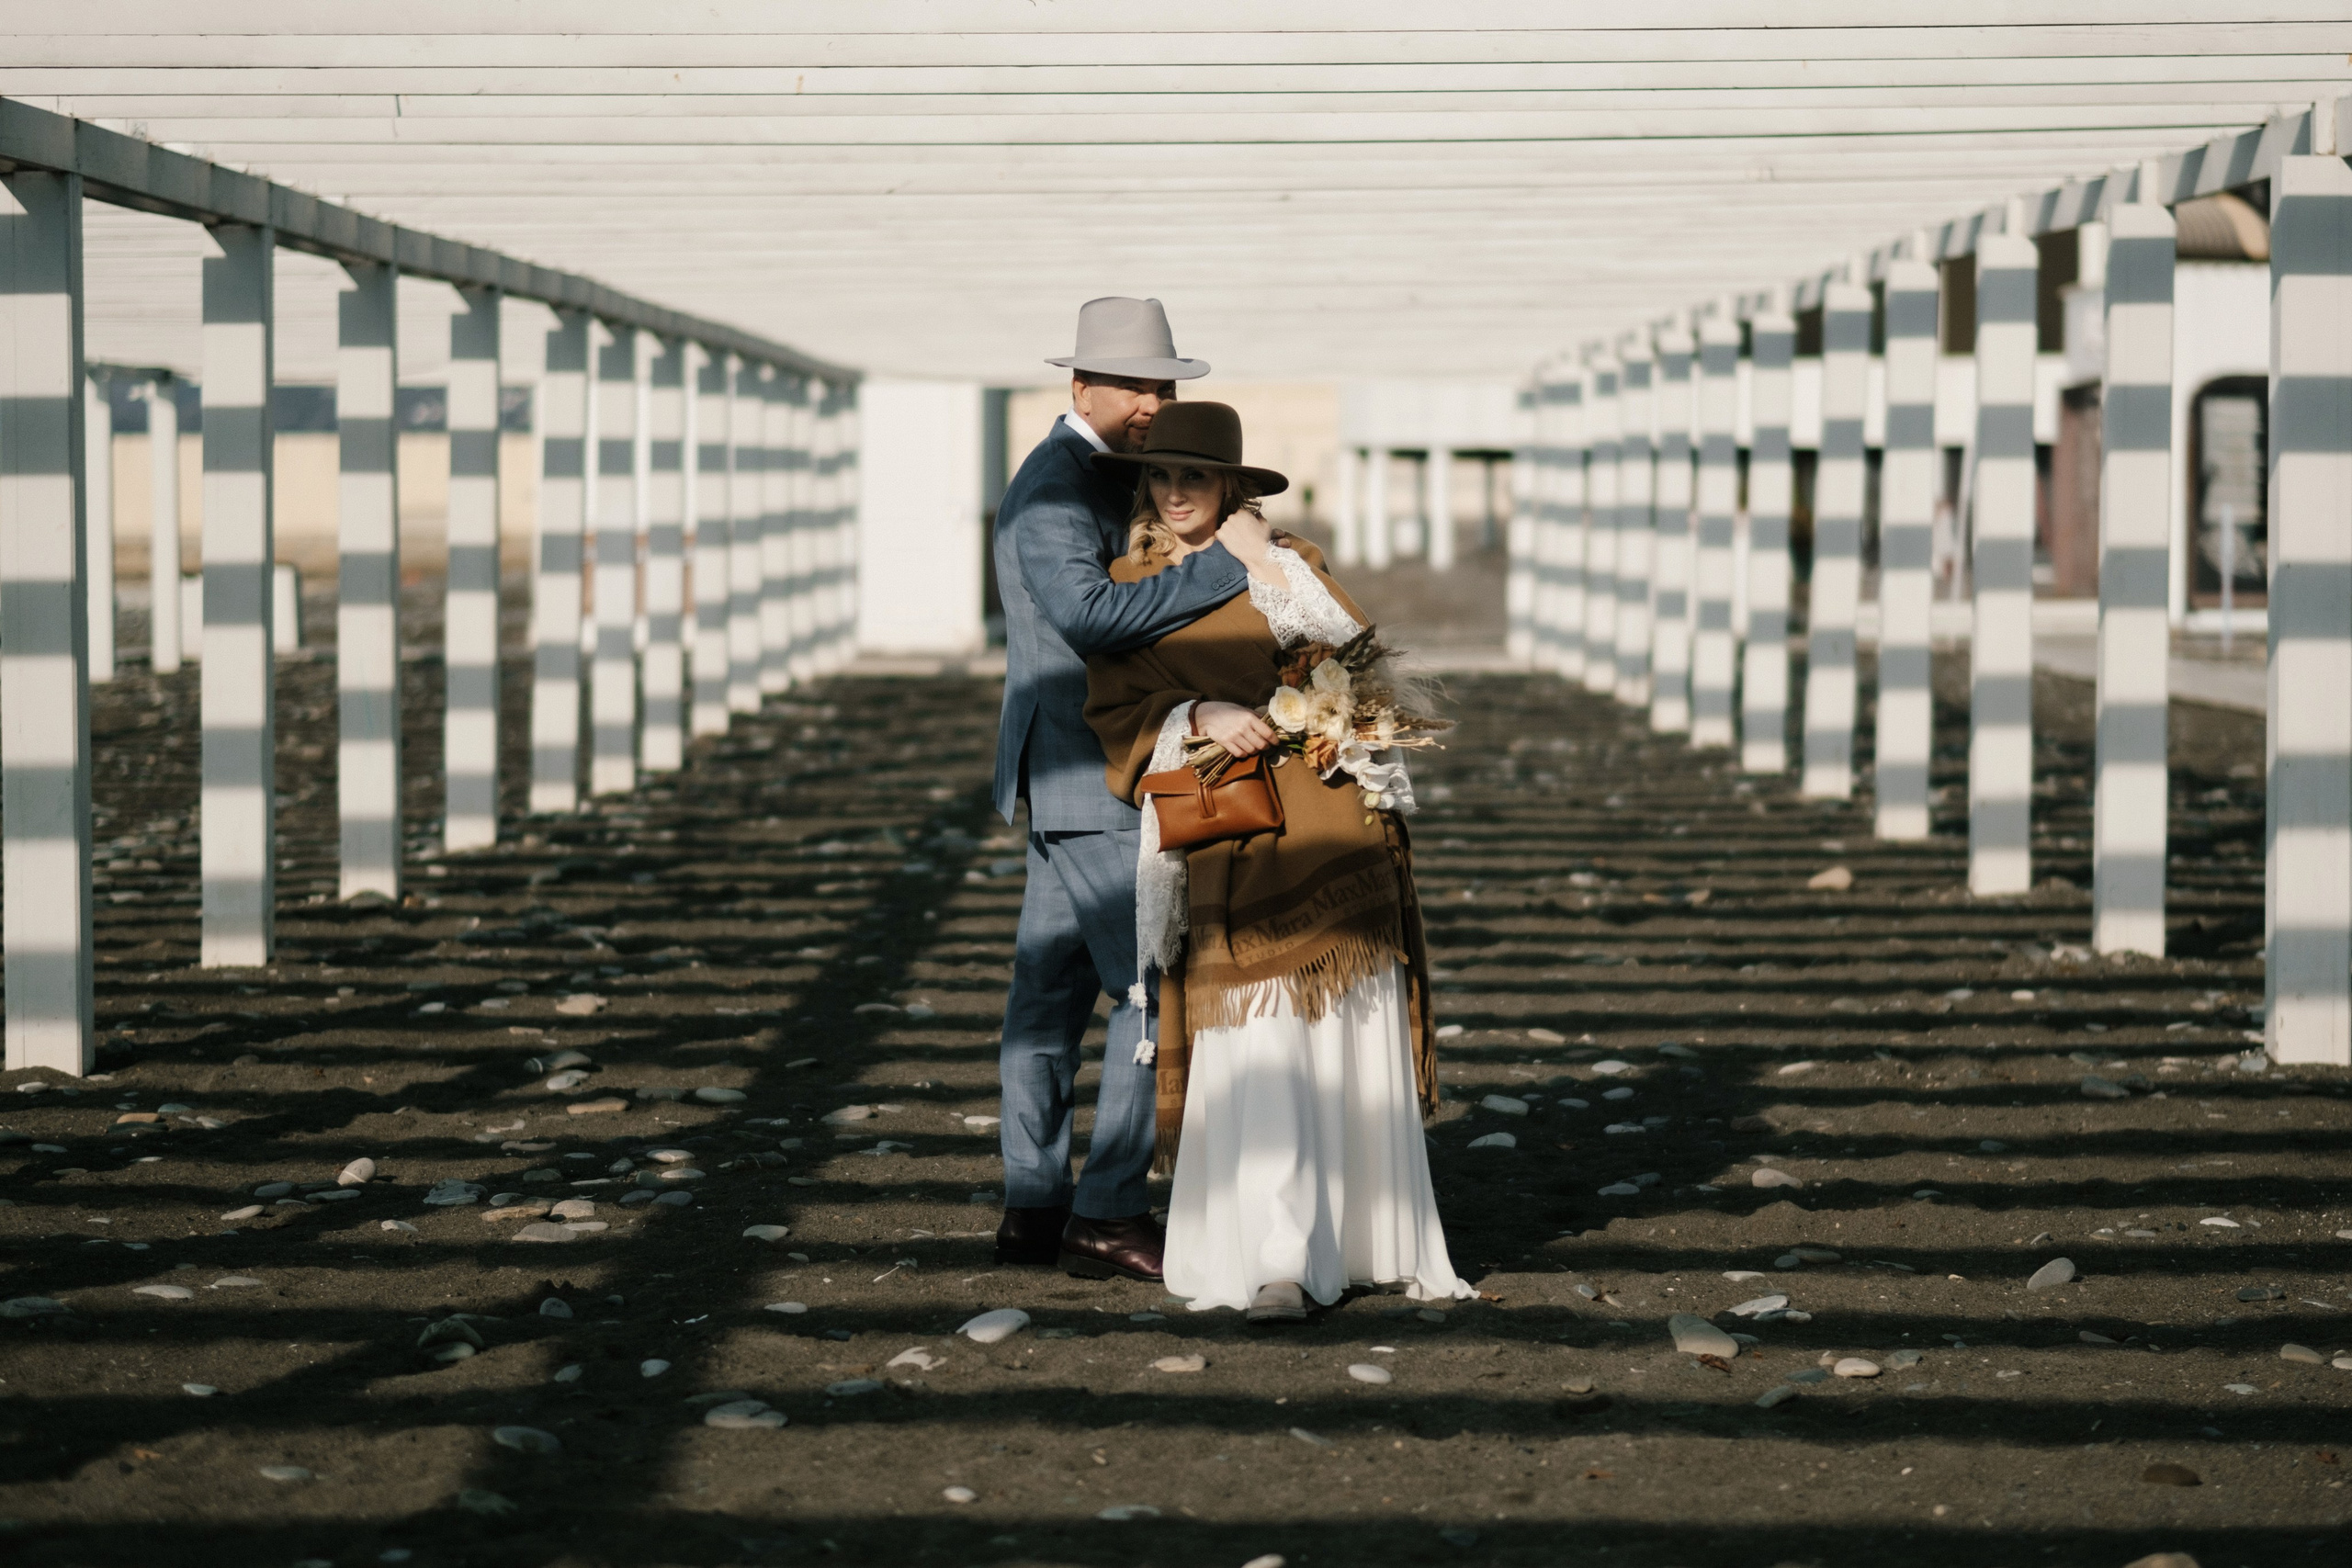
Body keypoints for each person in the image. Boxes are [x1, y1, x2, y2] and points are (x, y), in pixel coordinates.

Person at [1081, 401, 1471, 1321]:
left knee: (1337, 1039)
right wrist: (1196, 717)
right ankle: (1276, 1258)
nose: (1177, 493)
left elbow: (1361, 661)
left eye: (1197, 477)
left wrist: (1264, 560)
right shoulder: (1126, 580)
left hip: (1339, 829)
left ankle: (1365, 1240)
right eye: (1164, 476)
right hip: (1233, 842)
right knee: (1263, 1043)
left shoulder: (1290, 563)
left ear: (1231, 486)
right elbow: (1113, 710)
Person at [991, 298, 1273, 1282]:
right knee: (1151, 995)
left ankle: (1032, 1208)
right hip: (1095, 773)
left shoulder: (1091, 475)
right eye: (1136, 385)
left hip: (1072, 775)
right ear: (1081, 388)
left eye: (1166, 385)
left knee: (1048, 998)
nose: (1156, 402)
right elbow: (1090, 614)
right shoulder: (1053, 490)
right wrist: (1225, 573)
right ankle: (1106, 1215)